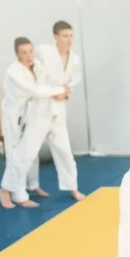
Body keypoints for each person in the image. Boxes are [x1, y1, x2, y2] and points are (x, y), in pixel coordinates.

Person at [0, 37, 69, 209]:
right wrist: (59, 91)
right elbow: (35, 91)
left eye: (31, 51)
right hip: (14, 119)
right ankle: (10, 192)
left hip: (30, 115)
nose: (29, 55)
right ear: (17, 54)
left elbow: (47, 83)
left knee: (31, 153)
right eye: (24, 52)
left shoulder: (36, 65)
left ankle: (32, 185)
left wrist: (62, 90)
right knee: (17, 156)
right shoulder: (14, 71)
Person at [35, 20, 85, 202]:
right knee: (30, 150)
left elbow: (73, 80)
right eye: (65, 36)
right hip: (39, 106)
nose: (69, 39)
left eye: (71, 36)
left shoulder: (75, 59)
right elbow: (32, 73)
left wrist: (65, 92)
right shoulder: (43, 52)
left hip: (58, 107)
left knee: (64, 149)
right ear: (55, 37)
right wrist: (50, 91)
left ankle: (73, 188)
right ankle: (27, 187)